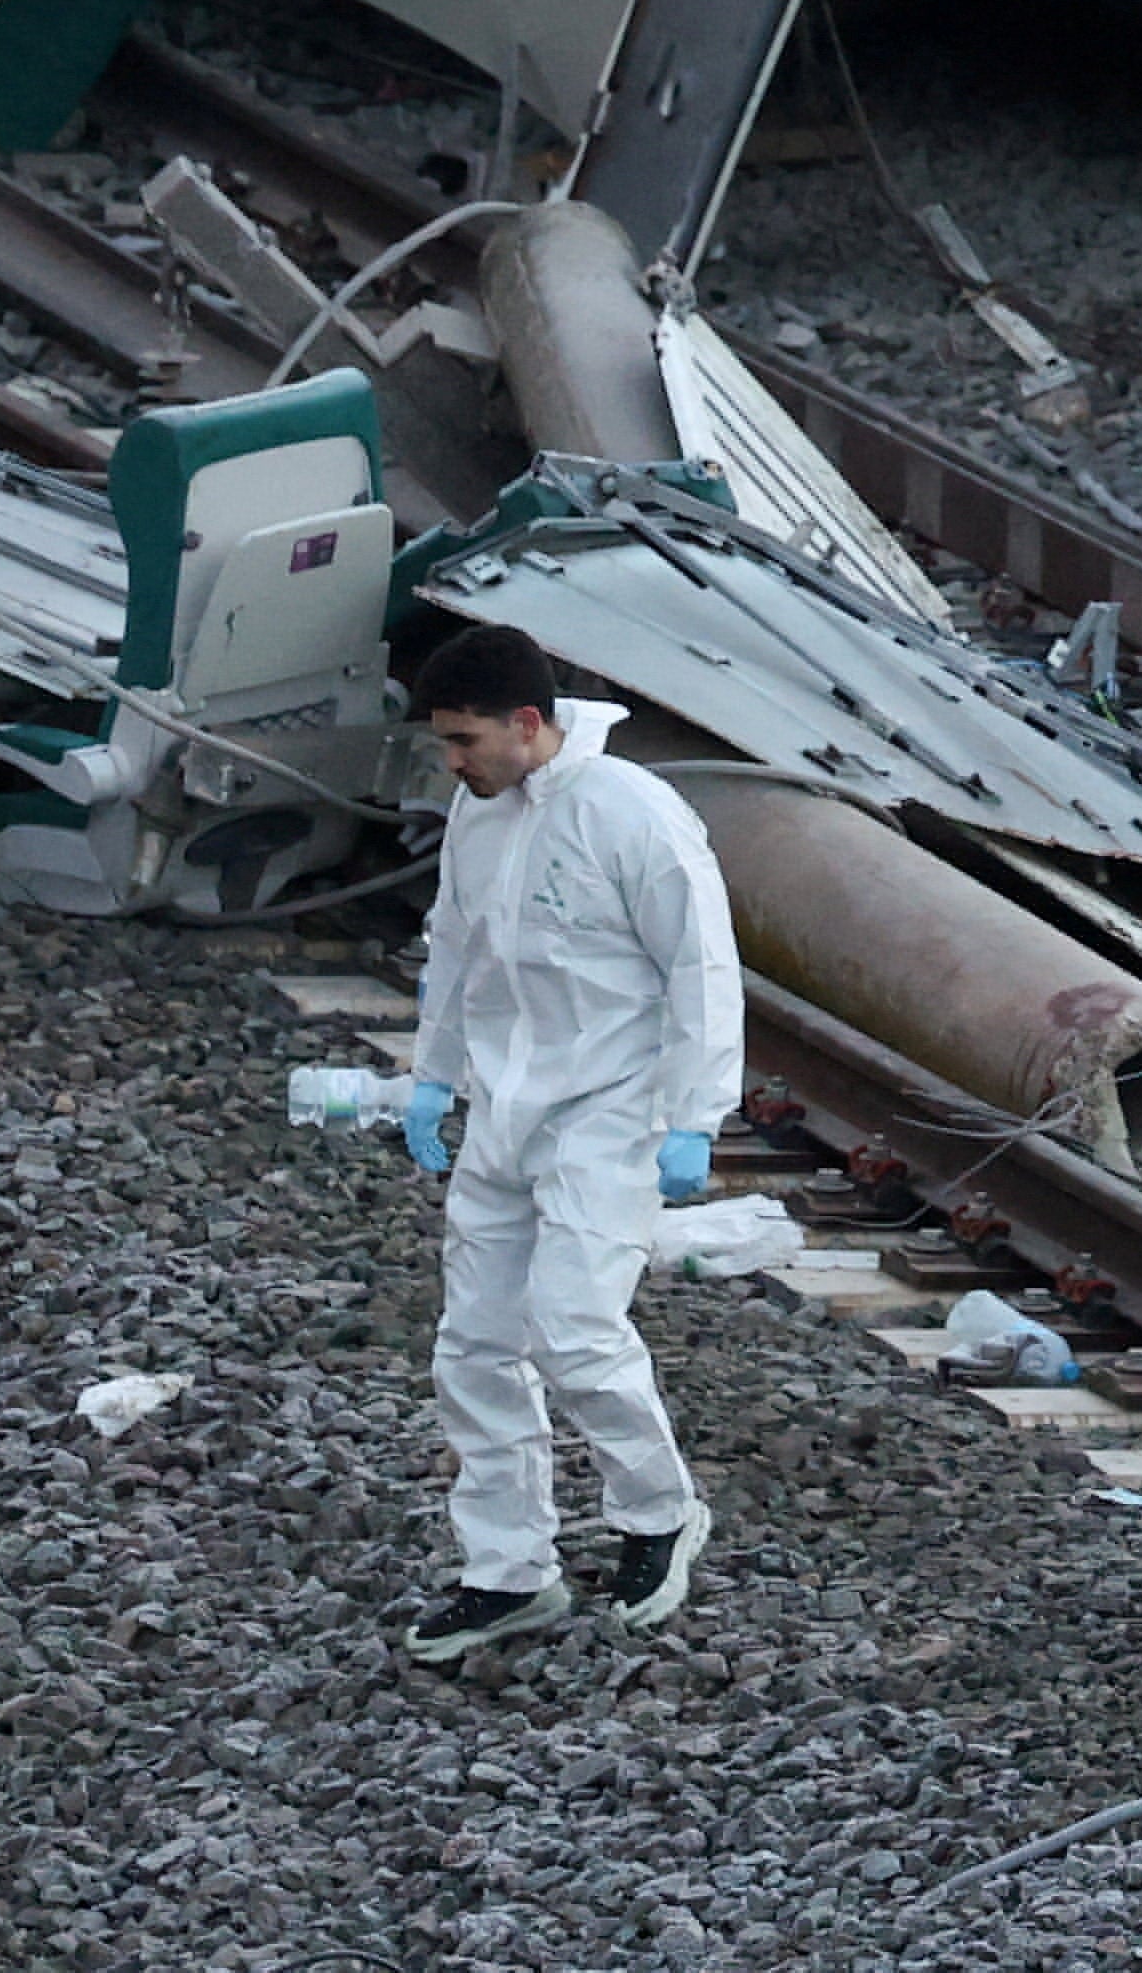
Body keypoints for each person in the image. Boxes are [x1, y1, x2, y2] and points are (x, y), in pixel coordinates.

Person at [395, 623, 744, 1667]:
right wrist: (433, 1072)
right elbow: (454, 945)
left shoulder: (632, 814)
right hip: (508, 1106)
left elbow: (702, 967)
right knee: (475, 1345)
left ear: (528, 723)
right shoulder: (480, 810)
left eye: (463, 739)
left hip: (612, 1109)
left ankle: (658, 1512)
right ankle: (509, 1570)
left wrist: (695, 1114)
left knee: (575, 1325)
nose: (452, 762)